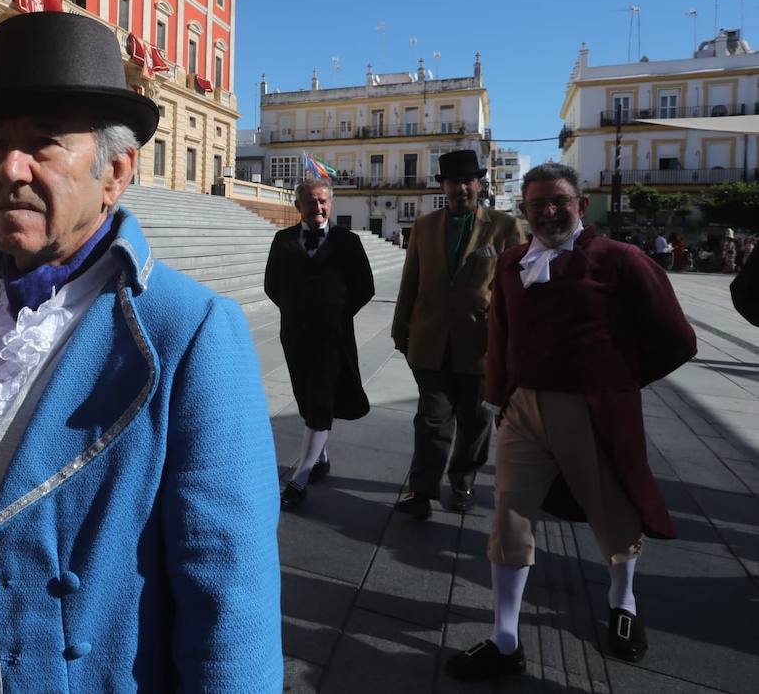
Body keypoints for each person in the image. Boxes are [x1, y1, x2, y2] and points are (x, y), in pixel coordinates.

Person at [0, 12, 282, 691]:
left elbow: (230, 601)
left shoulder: (186, 332)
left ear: (116, 173)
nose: (9, 168)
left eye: (43, 145)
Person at [446, 163, 695, 681]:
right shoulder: (514, 262)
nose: (547, 212)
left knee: (612, 509)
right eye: (536, 204)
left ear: (582, 205)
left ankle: (623, 603)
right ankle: (505, 638)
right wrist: (499, 399)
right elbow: (501, 336)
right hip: (523, 411)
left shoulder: (620, 261)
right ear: (525, 210)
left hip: (592, 409)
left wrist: (618, 382)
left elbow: (678, 338)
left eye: (559, 201)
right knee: (508, 518)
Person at [390, 149, 521, 518]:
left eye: (467, 180)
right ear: (443, 185)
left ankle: (462, 480)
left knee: (475, 422)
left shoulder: (505, 227)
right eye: (453, 181)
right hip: (431, 340)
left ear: (479, 184)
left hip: (481, 344)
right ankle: (421, 490)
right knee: (431, 419)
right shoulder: (425, 226)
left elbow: (516, 290)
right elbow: (410, 281)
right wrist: (401, 330)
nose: (461, 187)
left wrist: (512, 345)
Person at [265, 175, 375, 509]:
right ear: (299, 205)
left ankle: (299, 479)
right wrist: (298, 312)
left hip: (333, 337)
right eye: (311, 201)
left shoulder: (347, 241)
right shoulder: (282, 240)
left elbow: (365, 287)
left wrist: (336, 313)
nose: (318, 207)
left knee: (321, 402)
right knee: (305, 397)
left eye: (324, 201)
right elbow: (272, 285)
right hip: (296, 336)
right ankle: (321, 459)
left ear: (331, 203)